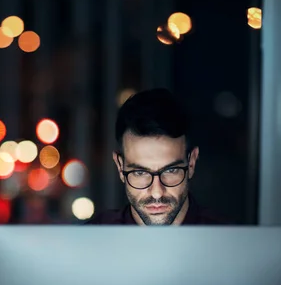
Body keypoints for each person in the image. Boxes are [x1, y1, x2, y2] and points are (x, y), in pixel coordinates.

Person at [87, 88, 226, 225]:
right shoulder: (90, 242)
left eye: (171, 171)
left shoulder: (230, 241)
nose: (157, 193)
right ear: (119, 167)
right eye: (140, 172)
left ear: (191, 163)